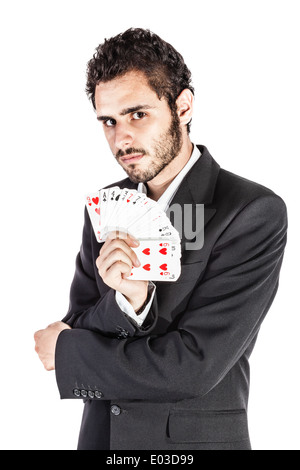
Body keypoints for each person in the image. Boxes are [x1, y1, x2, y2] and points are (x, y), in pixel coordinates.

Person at [34, 28, 288, 450]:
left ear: (182, 106)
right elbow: (79, 319)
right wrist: (128, 304)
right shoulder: (104, 208)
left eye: (138, 114)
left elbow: (192, 367)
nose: (121, 138)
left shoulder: (250, 211)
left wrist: (68, 355)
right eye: (109, 121)